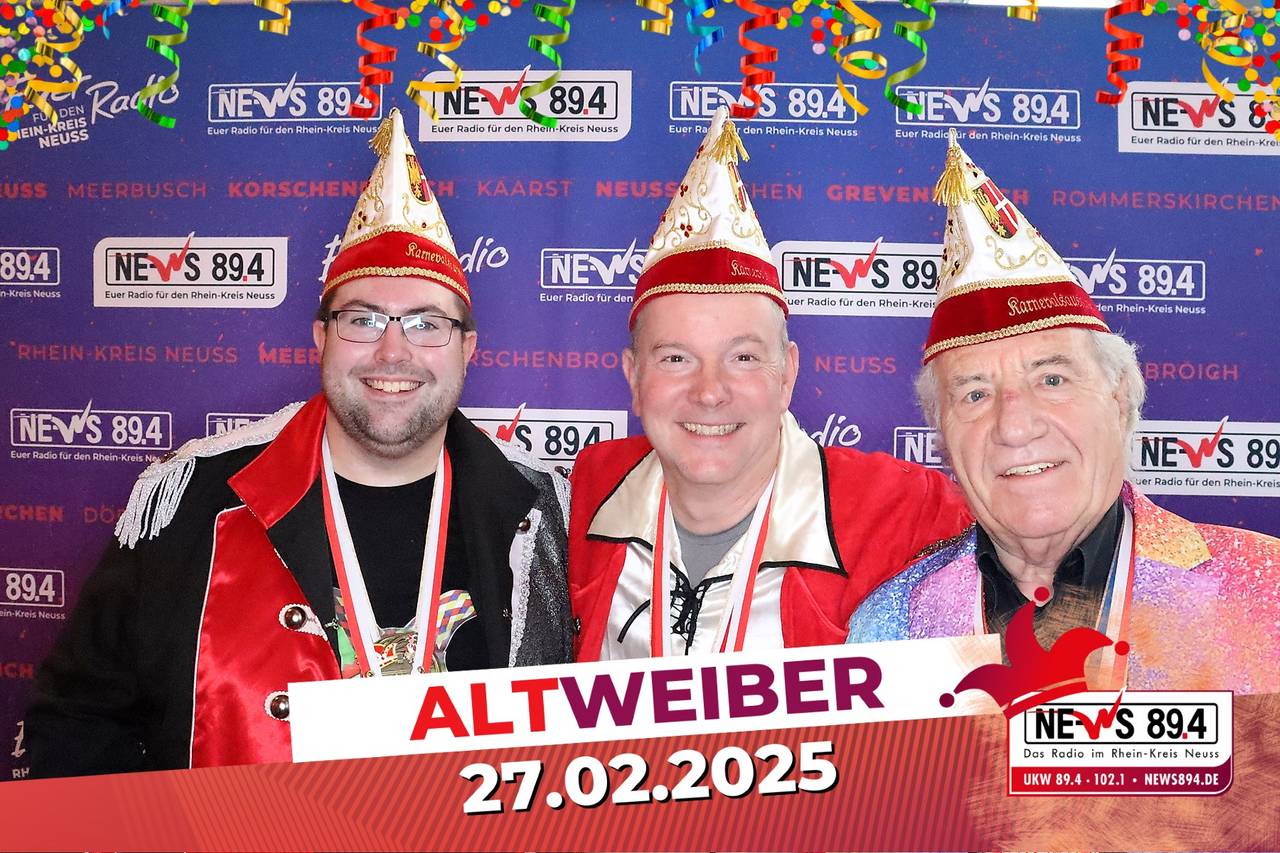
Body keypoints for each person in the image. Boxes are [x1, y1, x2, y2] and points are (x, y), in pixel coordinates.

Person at [25, 109, 574, 776]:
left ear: (468, 348)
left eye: (426, 323)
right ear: (320, 338)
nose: (392, 351)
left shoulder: (541, 512)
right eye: (362, 319)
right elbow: (75, 723)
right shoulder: (192, 502)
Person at [847, 131, 1280, 694]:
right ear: (942, 435)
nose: (1014, 426)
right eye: (974, 394)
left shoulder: (1265, 590)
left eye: (1051, 380)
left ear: (1119, 397)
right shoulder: (889, 628)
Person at [568, 107, 972, 661]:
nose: (710, 392)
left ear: (788, 375)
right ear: (634, 378)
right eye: (676, 358)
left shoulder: (908, 513)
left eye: (743, 357)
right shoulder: (577, 501)